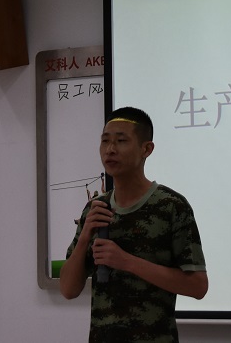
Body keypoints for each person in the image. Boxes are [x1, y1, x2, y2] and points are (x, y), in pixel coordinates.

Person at [60, 106, 208, 342]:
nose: (110, 149)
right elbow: (68, 290)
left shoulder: (172, 206)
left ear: (146, 149)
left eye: (121, 141)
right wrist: (85, 235)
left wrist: (127, 262)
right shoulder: (95, 209)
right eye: (105, 141)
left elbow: (198, 286)